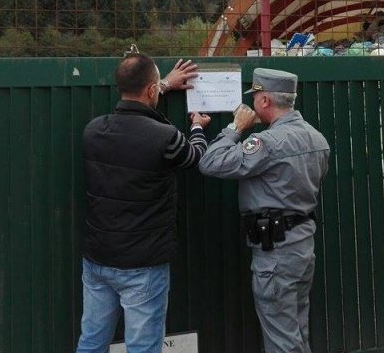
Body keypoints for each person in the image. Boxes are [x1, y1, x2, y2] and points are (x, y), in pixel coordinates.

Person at [76, 54, 211, 353]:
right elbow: (196, 156)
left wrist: (163, 84)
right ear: (151, 90)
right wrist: (199, 127)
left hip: (97, 258)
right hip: (142, 265)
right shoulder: (164, 137)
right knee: (143, 347)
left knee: (91, 340)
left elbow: (142, 101)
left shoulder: (93, 131)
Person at [198, 68, 330, 353]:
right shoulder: (317, 139)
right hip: (302, 247)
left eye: (255, 96)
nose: (253, 102)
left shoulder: (267, 143)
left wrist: (236, 127)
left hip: (276, 253)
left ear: (265, 101)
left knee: (282, 340)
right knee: (297, 331)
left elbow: (211, 162)